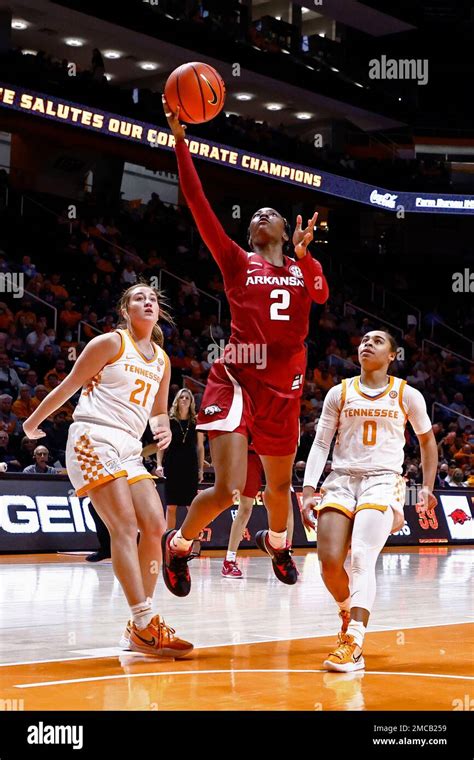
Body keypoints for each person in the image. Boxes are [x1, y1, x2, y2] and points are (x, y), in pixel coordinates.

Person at [160, 96, 329, 597]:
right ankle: (180, 545)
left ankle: (277, 542)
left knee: (279, 488)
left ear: (284, 230)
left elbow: (321, 294)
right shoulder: (236, 261)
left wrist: (306, 259)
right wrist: (180, 141)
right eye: (254, 214)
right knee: (232, 487)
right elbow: (197, 204)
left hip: (286, 383)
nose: (261, 216)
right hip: (237, 374)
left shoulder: (302, 269)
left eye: (270, 212)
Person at [23, 281, 192, 658]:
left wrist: (162, 426)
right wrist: (32, 423)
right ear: (125, 309)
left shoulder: (162, 360)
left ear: (158, 311)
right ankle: (147, 622)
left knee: (155, 525)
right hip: (93, 436)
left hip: (130, 446)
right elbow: (70, 385)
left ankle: (141, 627)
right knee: (124, 525)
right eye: (138, 298)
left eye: (152, 298)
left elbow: (158, 409)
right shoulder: (110, 343)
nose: (147, 301)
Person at [302, 330, 438, 672]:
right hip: (342, 480)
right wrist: (308, 489)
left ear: (392, 355)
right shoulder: (340, 391)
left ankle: (354, 643)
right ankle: (348, 612)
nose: (366, 343)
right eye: (363, 339)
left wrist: (427, 487)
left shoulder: (407, 394)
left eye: (377, 341)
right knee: (330, 562)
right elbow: (320, 445)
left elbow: (427, 442)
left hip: (383, 480)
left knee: (362, 555)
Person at [222, 447, 294, 578]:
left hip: (277, 452)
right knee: (245, 508)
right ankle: (229, 560)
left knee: (286, 506)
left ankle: (285, 557)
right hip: (252, 453)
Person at [158, 388, 205, 530]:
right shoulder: (169, 421)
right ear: (176, 401)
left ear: (191, 402)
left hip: (190, 465)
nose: (184, 400)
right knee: (171, 506)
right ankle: (168, 541)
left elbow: (200, 447)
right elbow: (161, 445)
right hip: (173, 464)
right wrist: (159, 465)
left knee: (191, 506)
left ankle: (192, 541)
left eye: (187, 398)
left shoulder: (196, 421)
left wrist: (201, 469)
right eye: (181, 397)